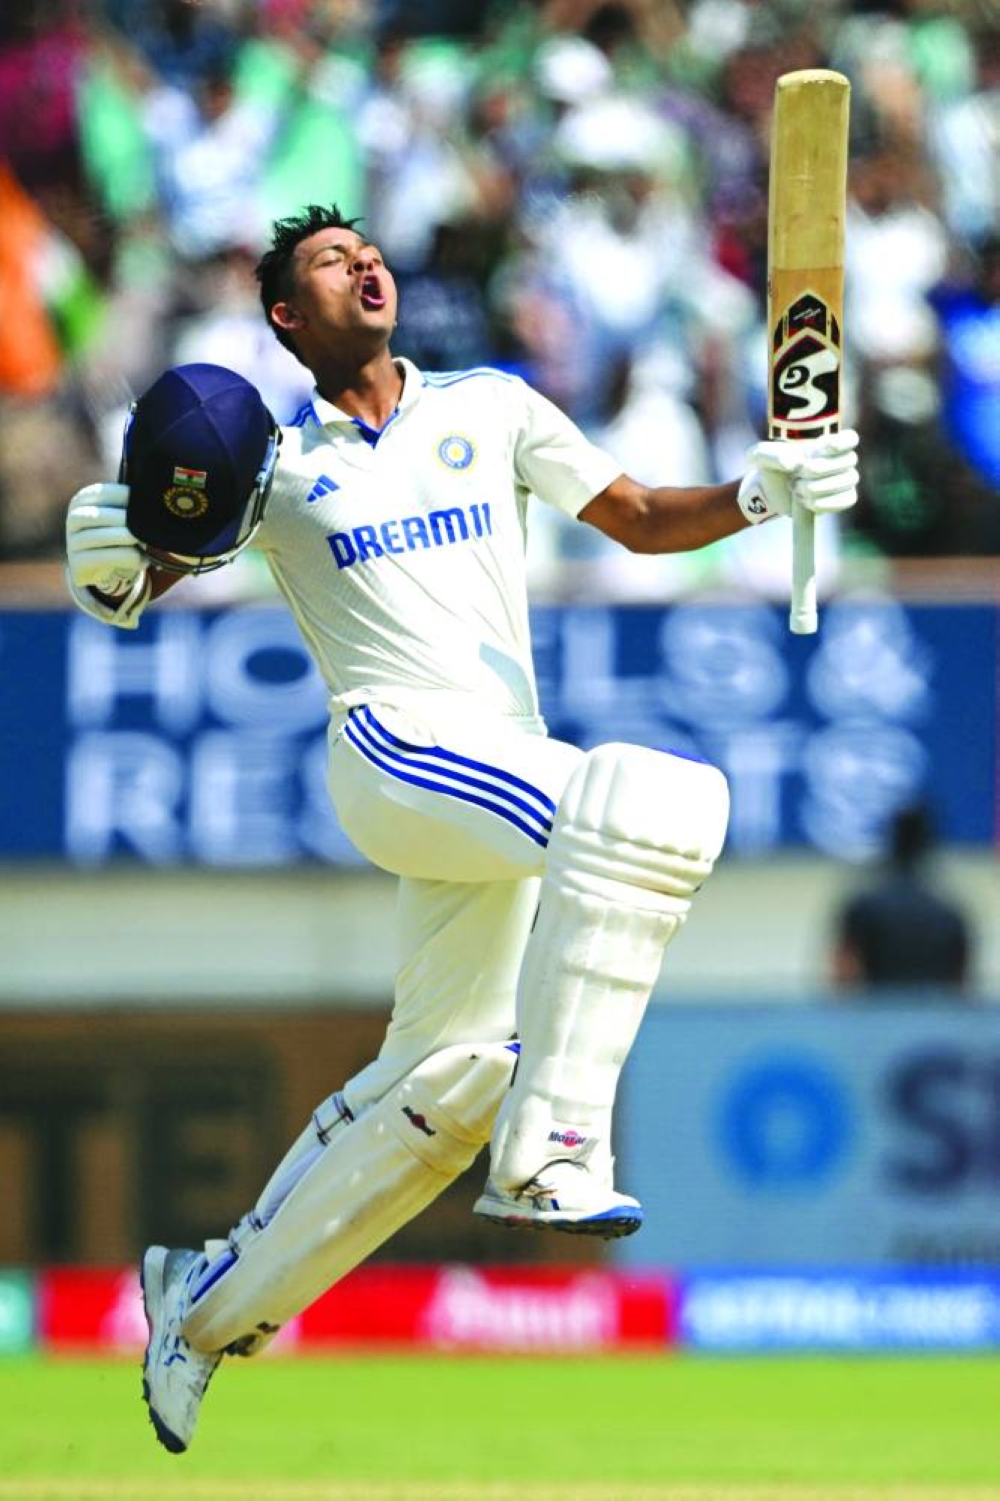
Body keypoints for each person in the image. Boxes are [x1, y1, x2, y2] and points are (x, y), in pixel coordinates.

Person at [64, 204, 860, 1453]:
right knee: (649, 798)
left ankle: (205, 1304)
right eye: (329, 263)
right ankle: (558, 1147)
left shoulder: (489, 405)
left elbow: (642, 516)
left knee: (444, 1083)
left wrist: (761, 490)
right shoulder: (272, 461)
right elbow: (164, 556)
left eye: (367, 249)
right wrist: (115, 562)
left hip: (491, 762)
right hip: (391, 748)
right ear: (287, 315)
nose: (365, 263)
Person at [832, 802, 973, 994]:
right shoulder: (949, 914)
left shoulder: (863, 906)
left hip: (874, 1020)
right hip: (934, 1019)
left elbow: (844, 975)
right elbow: (961, 986)